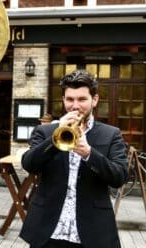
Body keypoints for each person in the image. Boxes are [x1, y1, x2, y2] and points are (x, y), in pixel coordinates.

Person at [19, 69, 128, 248]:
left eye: (82, 99)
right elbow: (29, 164)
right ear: (63, 100)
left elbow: (120, 177)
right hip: (48, 231)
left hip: (92, 233)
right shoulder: (45, 131)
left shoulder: (111, 134)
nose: (75, 106)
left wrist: (89, 154)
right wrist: (55, 138)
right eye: (70, 99)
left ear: (95, 100)